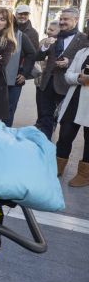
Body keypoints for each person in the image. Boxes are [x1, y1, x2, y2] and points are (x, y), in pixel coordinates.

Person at [36, 8, 89, 142]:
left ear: (76, 20)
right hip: (47, 83)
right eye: (61, 19)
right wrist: (44, 47)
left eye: (66, 19)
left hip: (68, 86)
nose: (62, 22)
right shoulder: (53, 36)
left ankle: (60, 151)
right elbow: (38, 56)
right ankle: (45, 145)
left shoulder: (83, 39)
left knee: (65, 124)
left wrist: (69, 62)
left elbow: (84, 60)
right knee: (45, 118)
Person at [56, 46, 89, 186]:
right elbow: (68, 75)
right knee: (65, 135)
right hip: (74, 100)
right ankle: (57, 167)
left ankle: (85, 174)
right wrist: (79, 78)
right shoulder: (82, 51)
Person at [4, 8, 36, 127]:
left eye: (6, 20)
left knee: (9, 110)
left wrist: (24, 73)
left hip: (14, 80)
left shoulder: (21, 36)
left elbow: (32, 54)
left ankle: (5, 135)